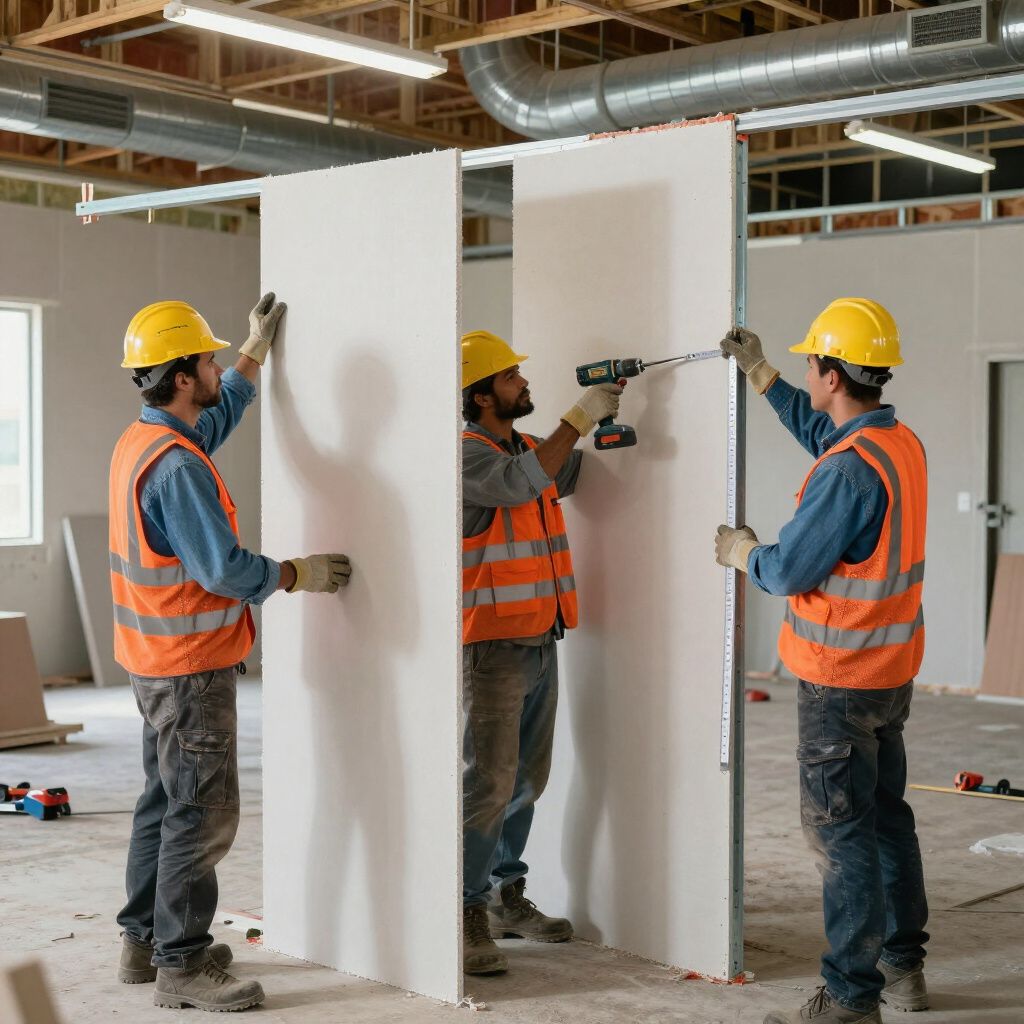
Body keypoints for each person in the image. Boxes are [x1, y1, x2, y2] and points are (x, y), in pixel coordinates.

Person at [111, 296, 351, 1012]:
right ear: (182, 375)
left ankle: (144, 946)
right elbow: (221, 569)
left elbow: (215, 419)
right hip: (189, 667)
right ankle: (181, 964)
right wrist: (294, 573)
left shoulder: (147, 441)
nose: (217, 367)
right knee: (201, 813)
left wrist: (253, 355)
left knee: (163, 803)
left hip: (150, 661)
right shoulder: (177, 468)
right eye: (209, 360)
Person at [716, 299, 929, 1024]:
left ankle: (848, 999)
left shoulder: (847, 472)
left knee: (841, 840)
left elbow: (790, 568)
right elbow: (825, 436)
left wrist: (743, 553)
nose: (807, 370)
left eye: (810, 361)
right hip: (889, 674)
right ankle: (903, 968)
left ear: (832, 373)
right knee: (886, 821)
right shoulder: (895, 443)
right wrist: (764, 374)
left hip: (838, 680)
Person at [460, 330, 623, 976]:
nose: (523, 384)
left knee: (527, 780)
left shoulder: (527, 447)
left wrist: (610, 425)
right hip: (490, 647)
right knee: (487, 781)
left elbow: (562, 470)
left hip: (539, 637)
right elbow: (518, 483)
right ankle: (465, 910)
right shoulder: (467, 457)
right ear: (479, 396)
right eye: (509, 378)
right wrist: (578, 416)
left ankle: (505, 895)